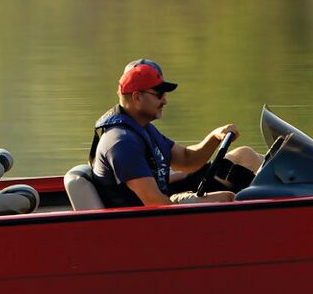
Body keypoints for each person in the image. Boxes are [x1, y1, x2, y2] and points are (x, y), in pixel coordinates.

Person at [88, 59, 262, 206]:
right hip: (142, 224)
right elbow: (154, 202)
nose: (165, 100)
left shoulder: (142, 129)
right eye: (159, 94)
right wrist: (188, 203)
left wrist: (215, 137)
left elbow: (187, 160)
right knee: (228, 199)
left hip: (158, 209)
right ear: (137, 97)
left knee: (240, 171)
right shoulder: (122, 142)